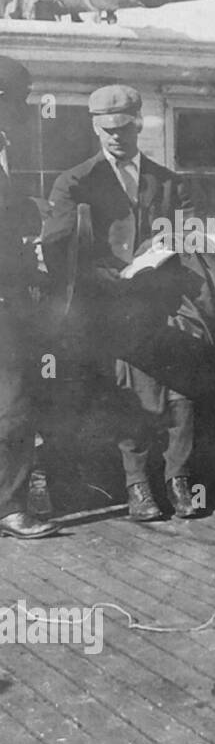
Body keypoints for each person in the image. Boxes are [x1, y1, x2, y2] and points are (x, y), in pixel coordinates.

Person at [41, 84, 215, 523]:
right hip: (109, 308)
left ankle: (179, 479)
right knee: (128, 392)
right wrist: (110, 276)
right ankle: (138, 486)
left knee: (182, 390)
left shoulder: (168, 181)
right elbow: (61, 251)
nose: (116, 137)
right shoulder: (75, 182)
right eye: (107, 129)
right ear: (95, 127)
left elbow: (193, 228)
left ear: (139, 123)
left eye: (124, 128)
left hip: (163, 302)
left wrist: (170, 242)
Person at [0, 55, 58, 539]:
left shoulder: (6, 149)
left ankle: (10, 506)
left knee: (15, 405)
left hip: (10, 302)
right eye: (17, 102)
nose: (23, 111)